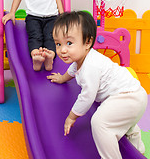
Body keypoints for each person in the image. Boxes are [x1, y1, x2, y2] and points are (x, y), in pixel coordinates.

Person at [47, 11, 147, 159]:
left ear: (87, 42)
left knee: (100, 122)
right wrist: (62, 78)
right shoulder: (82, 58)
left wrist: (71, 116)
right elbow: (72, 70)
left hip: (128, 97)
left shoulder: (90, 66)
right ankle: (138, 151)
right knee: (126, 122)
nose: (62, 50)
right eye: (58, 44)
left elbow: (87, 96)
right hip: (135, 96)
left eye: (69, 43)